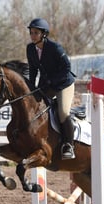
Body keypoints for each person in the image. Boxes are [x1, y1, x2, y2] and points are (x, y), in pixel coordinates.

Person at [26, 18, 76, 160]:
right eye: (31, 32)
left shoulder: (55, 48)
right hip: (47, 84)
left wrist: (51, 81)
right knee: (36, 108)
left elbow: (67, 68)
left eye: (36, 33)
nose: (33, 35)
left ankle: (68, 145)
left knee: (63, 112)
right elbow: (33, 70)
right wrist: (30, 88)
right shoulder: (30, 49)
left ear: (44, 34)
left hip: (63, 83)